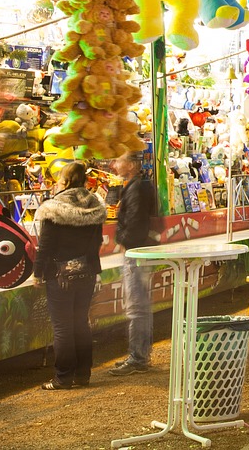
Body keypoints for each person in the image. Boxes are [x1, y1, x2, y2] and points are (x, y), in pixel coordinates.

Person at [33, 160, 106, 390]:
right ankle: (83, 375)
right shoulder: (96, 205)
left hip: (60, 276)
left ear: (64, 181)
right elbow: (97, 243)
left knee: (63, 327)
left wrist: (37, 273)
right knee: (81, 323)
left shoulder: (53, 207)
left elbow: (45, 246)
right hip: (87, 272)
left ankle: (63, 378)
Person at [107, 152, 158, 376]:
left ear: (132, 164)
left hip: (136, 252)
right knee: (140, 307)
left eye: (118, 160)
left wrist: (124, 241)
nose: (113, 164)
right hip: (138, 250)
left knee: (137, 307)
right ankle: (139, 355)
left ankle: (138, 357)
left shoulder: (137, 188)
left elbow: (135, 221)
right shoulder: (138, 185)